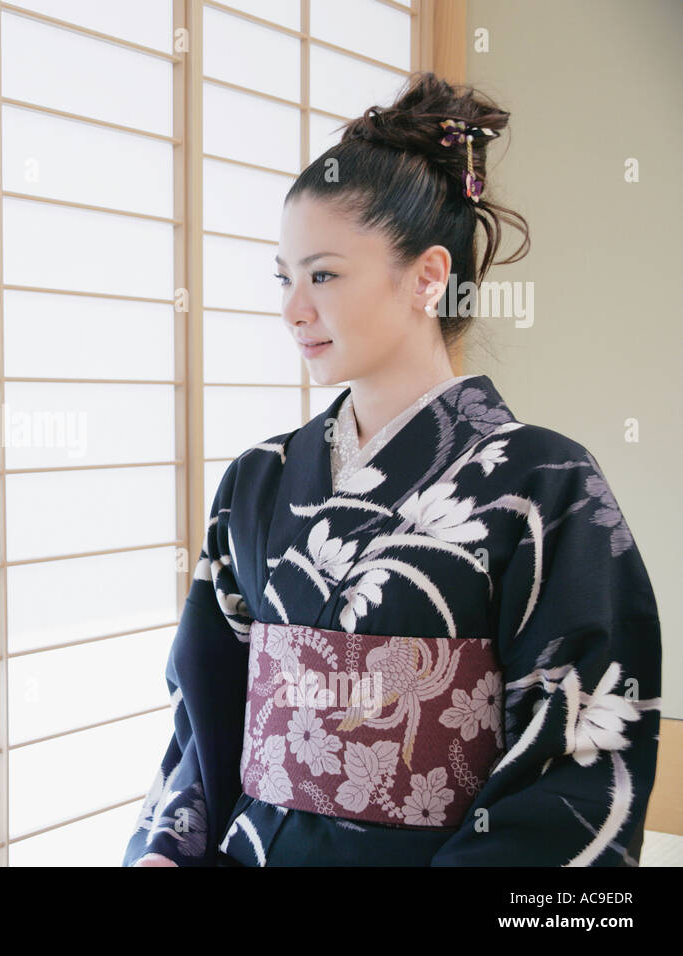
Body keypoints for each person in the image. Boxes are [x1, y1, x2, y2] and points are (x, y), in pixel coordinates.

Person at [122, 72, 662, 867]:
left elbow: (580, 756)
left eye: (324, 274)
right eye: (285, 277)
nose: (293, 308)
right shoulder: (259, 479)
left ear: (429, 275)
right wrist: (170, 848)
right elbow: (204, 718)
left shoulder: (544, 485)